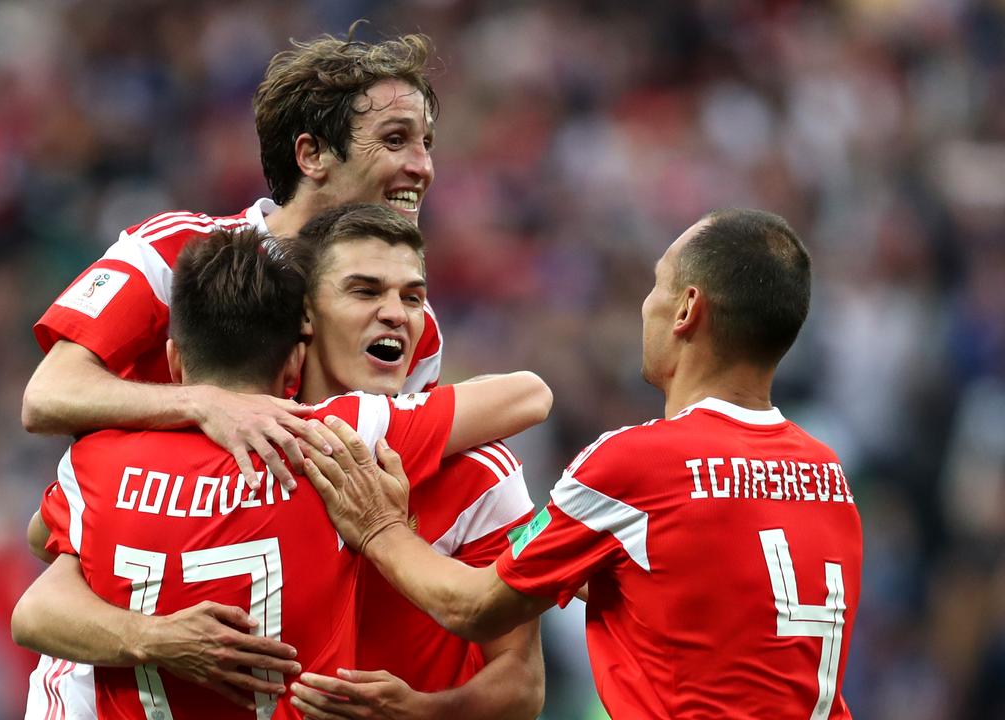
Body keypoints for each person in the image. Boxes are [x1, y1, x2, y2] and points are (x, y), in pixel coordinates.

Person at [299, 209, 864, 719]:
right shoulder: (829, 474)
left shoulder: (637, 465)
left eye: (656, 284)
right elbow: (677, 599)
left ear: (687, 309)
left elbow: (473, 608)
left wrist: (380, 527)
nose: (647, 303)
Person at [16, 204, 546, 718]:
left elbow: (521, 683)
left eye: (414, 298)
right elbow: (46, 588)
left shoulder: (481, 470)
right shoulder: (283, 435)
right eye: (364, 290)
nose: (396, 313)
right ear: (305, 322)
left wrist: (421, 713)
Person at [21, 25, 441, 489]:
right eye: (396, 140)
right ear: (313, 154)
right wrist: (206, 404)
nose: (422, 167)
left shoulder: (406, 321)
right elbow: (48, 395)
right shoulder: (173, 250)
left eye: (426, 144)